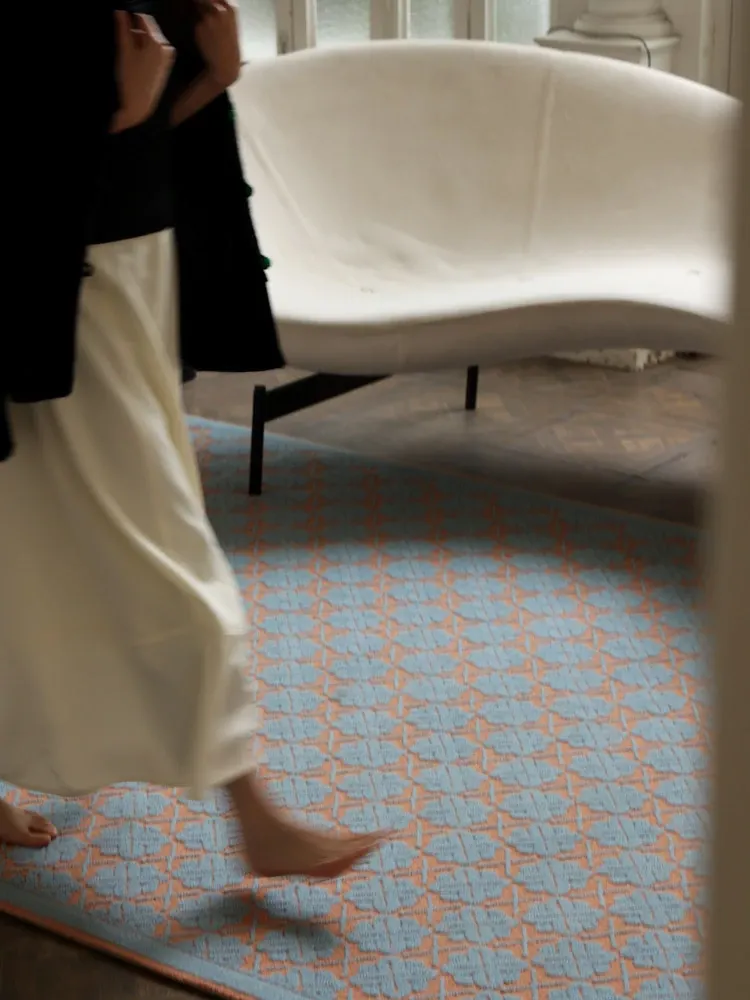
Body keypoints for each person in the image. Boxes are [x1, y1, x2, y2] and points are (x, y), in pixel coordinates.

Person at [0, 1, 384, 878]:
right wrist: (117, 117)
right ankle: (257, 818)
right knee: (163, 544)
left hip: (135, 271)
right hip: (63, 299)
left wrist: (208, 81)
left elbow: (132, 141)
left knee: (29, 536)